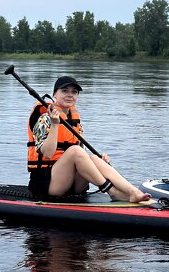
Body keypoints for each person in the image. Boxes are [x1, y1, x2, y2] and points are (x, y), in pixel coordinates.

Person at [27, 75, 151, 203]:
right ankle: (113, 192)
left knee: (93, 158)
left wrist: (100, 161)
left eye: (74, 92)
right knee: (75, 151)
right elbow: (47, 153)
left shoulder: (74, 120)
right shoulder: (44, 118)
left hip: (73, 184)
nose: (70, 95)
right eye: (65, 91)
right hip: (47, 185)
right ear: (55, 94)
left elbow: (81, 154)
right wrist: (54, 124)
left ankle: (133, 191)